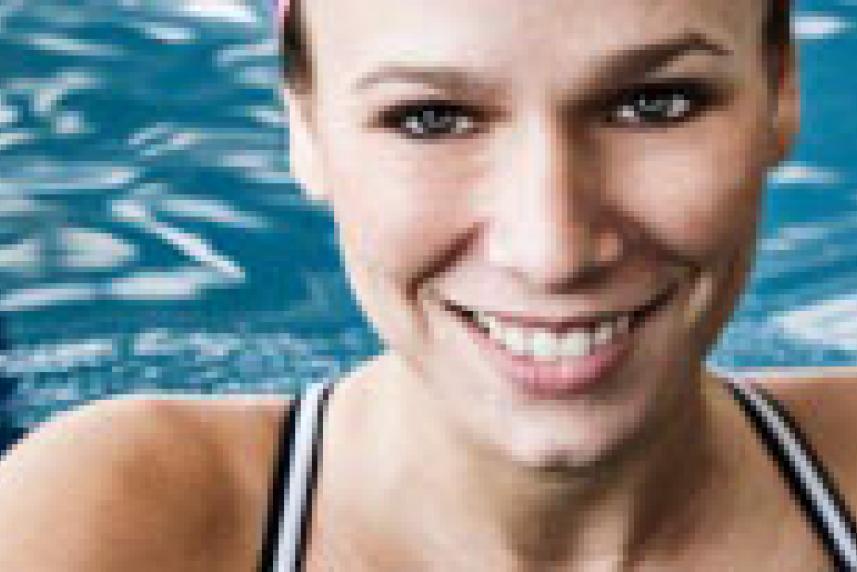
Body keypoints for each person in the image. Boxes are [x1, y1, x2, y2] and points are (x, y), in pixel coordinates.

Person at [1, 0, 856, 570]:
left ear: (780, 93)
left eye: (654, 103)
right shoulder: (116, 523)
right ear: (305, 127)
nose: (551, 251)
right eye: (430, 118)